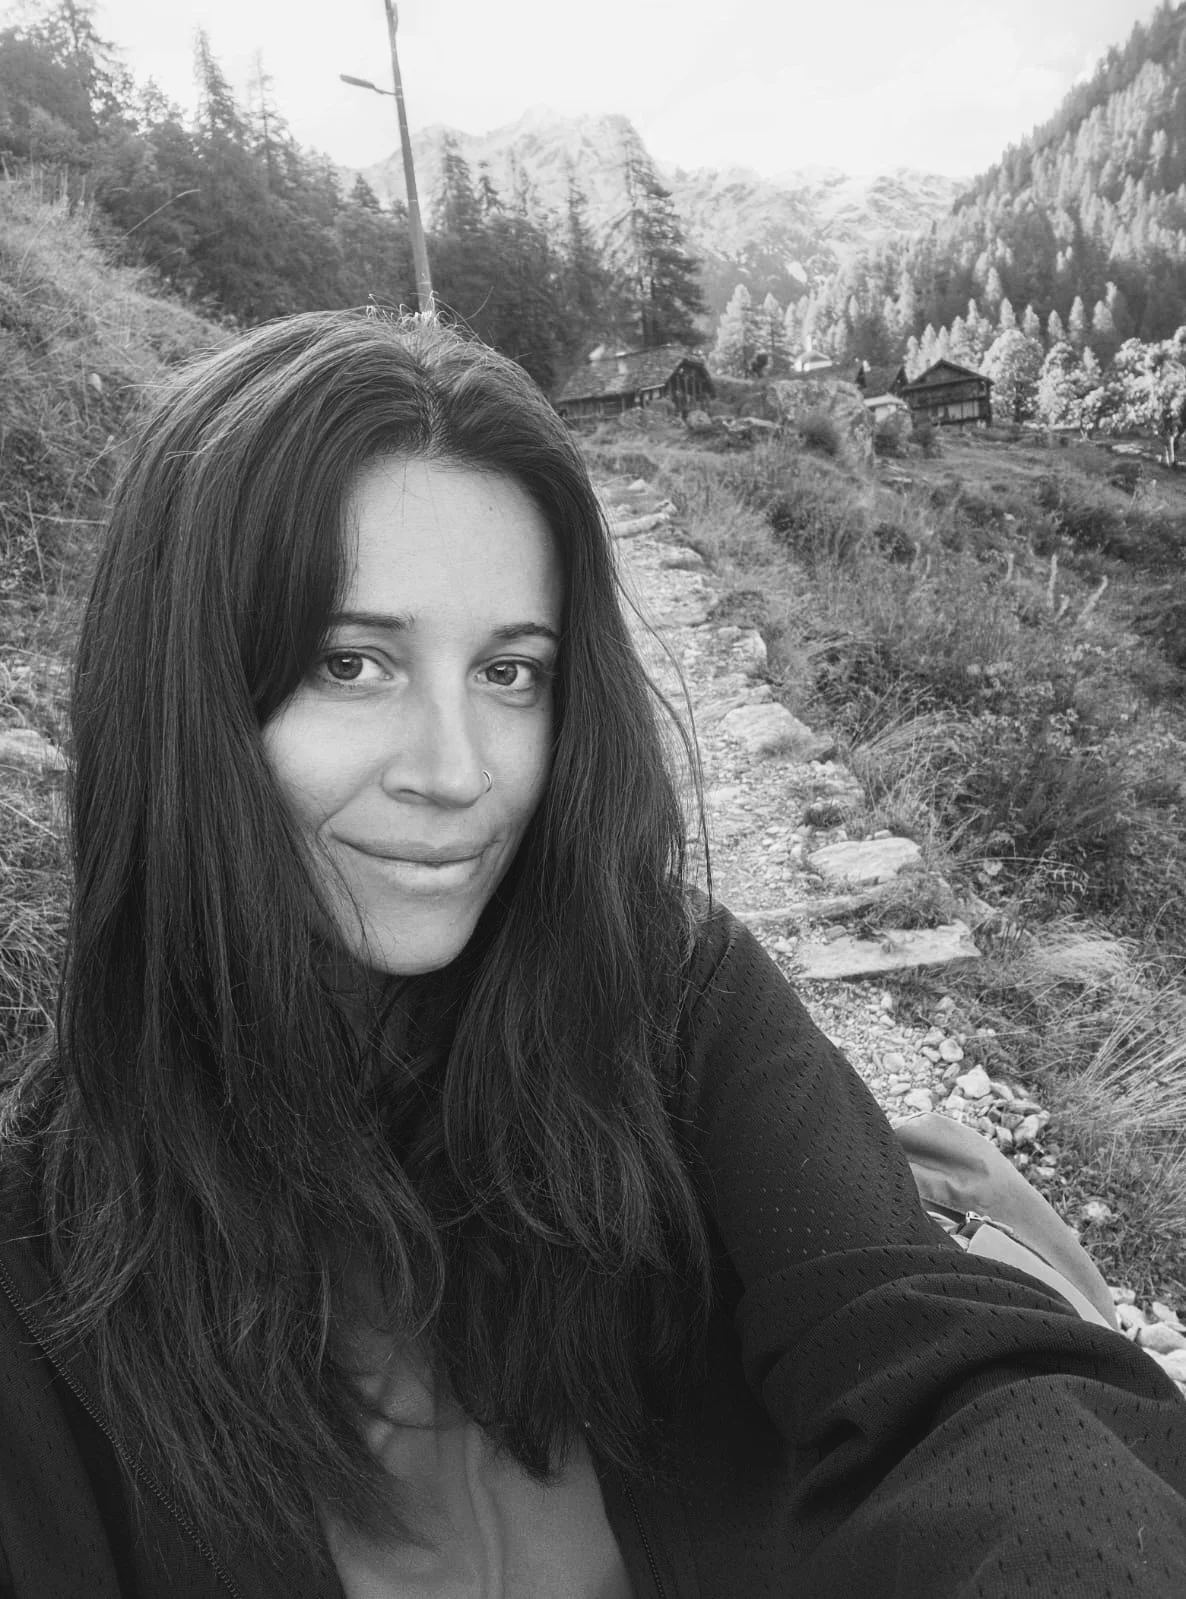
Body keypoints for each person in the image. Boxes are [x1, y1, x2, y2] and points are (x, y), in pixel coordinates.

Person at [1, 309, 1184, 1599]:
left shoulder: (666, 1002)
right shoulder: (52, 1249)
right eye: (353, 663)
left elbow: (933, 1350)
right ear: (180, 695)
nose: (459, 774)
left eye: (512, 673)